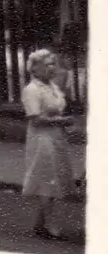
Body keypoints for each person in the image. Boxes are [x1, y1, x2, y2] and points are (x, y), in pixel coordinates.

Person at [21, 49, 76, 240]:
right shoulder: (31, 90)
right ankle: (49, 224)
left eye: (53, 63)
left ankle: (39, 224)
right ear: (34, 67)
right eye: (47, 64)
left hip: (57, 137)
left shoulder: (53, 87)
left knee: (57, 178)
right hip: (41, 140)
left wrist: (63, 123)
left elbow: (57, 109)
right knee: (47, 179)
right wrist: (62, 121)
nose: (52, 68)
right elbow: (35, 119)